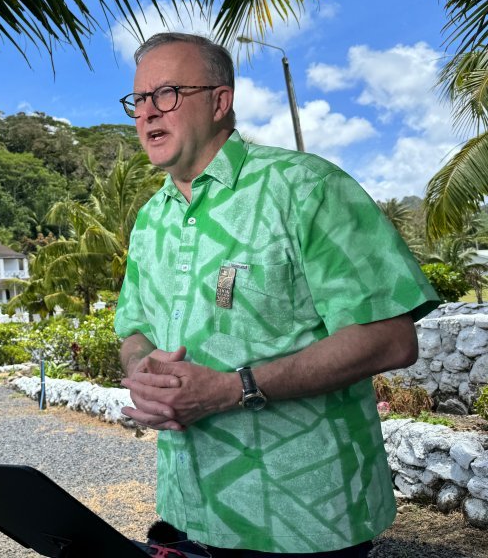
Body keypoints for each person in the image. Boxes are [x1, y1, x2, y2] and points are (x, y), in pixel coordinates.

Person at [114, 32, 440, 557]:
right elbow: (134, 329)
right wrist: (142, 371)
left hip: (307, 516)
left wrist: (232, 389)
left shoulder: (307, 187)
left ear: (221, 102)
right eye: (139, 99)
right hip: (190, 506)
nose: (147, 113)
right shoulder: (151, 220)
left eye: (167, 93)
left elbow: (390, 337)